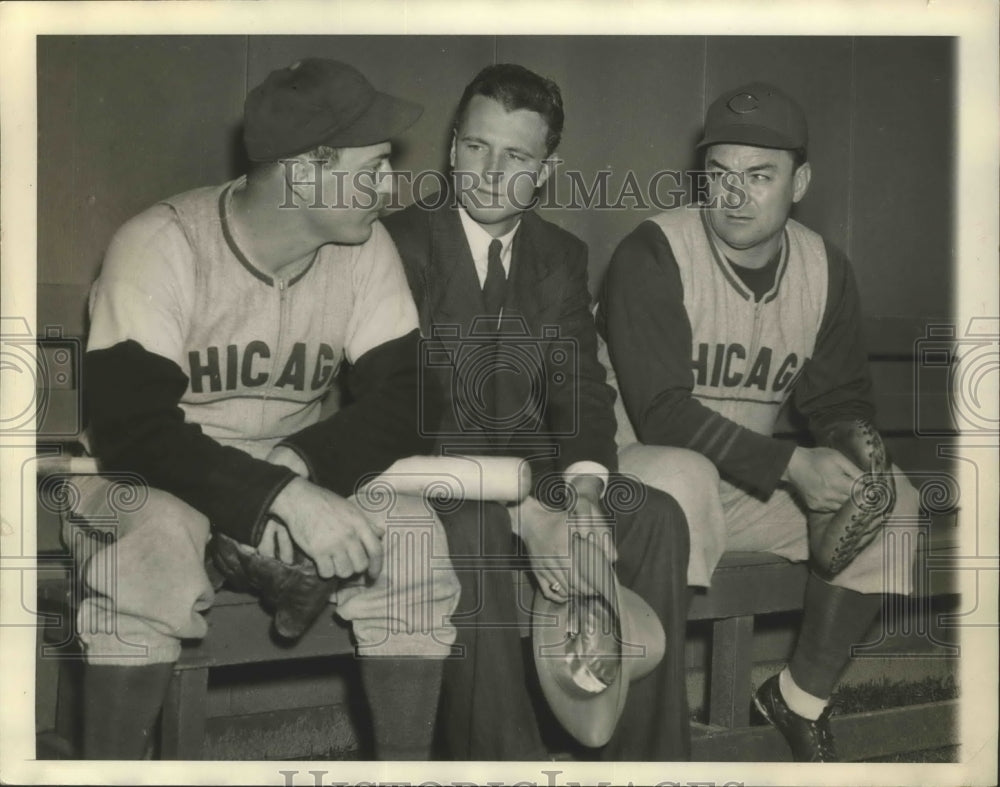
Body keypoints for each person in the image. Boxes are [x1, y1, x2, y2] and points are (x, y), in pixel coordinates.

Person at [72, 58, 459, 760]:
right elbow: (134, 434)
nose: (389, 185)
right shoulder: (162, 244)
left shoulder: (363, 249)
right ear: (306, 171)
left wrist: (300, 469)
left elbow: (417, 396)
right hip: (146, 478)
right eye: (372, 167)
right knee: (152, 543)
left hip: (285, 473)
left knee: (411, 531)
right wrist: (276, 494)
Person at [599, 81, 921, 762]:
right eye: (718, 175)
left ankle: (799, 698)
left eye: (759, 176)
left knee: (894, 501)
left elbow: (838, 401)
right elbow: (661, 412)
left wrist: (848, 449)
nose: (734, 194)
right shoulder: (652, 252)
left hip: (737, 483)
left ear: (799, 181)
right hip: (632, 479)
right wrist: (792, 466)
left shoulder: (824, 267)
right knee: (684, 475)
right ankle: (646, 738)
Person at [384, 63, 691, 761]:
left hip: (542, 480)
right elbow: (414, 410)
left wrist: (581, 494)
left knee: (656, 520)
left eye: (516, 156)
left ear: (546, 169)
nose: (490, 172)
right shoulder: (397, 244)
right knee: (474, 530)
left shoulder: (559, 254)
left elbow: (579, 386)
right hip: (431, 480)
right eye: (475, 147)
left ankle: (645, 762)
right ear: (451, 145)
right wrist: (528, 515)